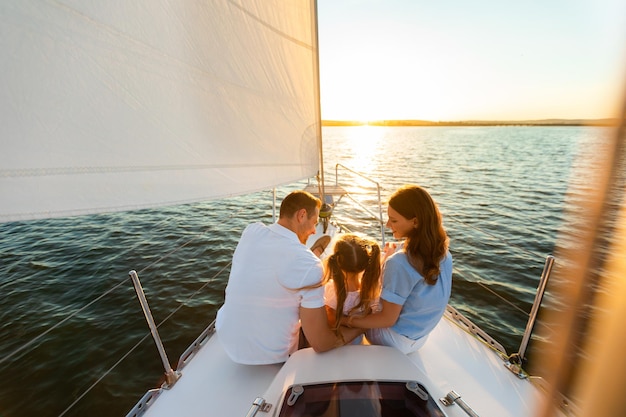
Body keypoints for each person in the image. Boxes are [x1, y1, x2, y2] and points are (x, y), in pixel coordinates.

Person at [215, 190, 362, 365]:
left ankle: (315, 251)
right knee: (316, 315)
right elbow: (321, 343)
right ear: (301, 215)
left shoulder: (251, 231)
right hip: (272, 355)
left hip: (226, 337)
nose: (315, 230)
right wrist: (361, 327)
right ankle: (315, 252)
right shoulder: (310, 265)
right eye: (314, 223)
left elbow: (276, 254)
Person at [342, 185, 452, 354]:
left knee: (352, 301)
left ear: (415, 222)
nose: (387, 224)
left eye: (393, 220)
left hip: (393, 341)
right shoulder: (443, 252)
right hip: (419, 338)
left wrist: (349, 321)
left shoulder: (399, 262)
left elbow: (387, 319)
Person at [322, 234, 382, 342]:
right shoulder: (370, 291)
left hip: (338, 345)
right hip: (357, 343)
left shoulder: (332, 290)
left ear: (337, 261)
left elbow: (331, 320)